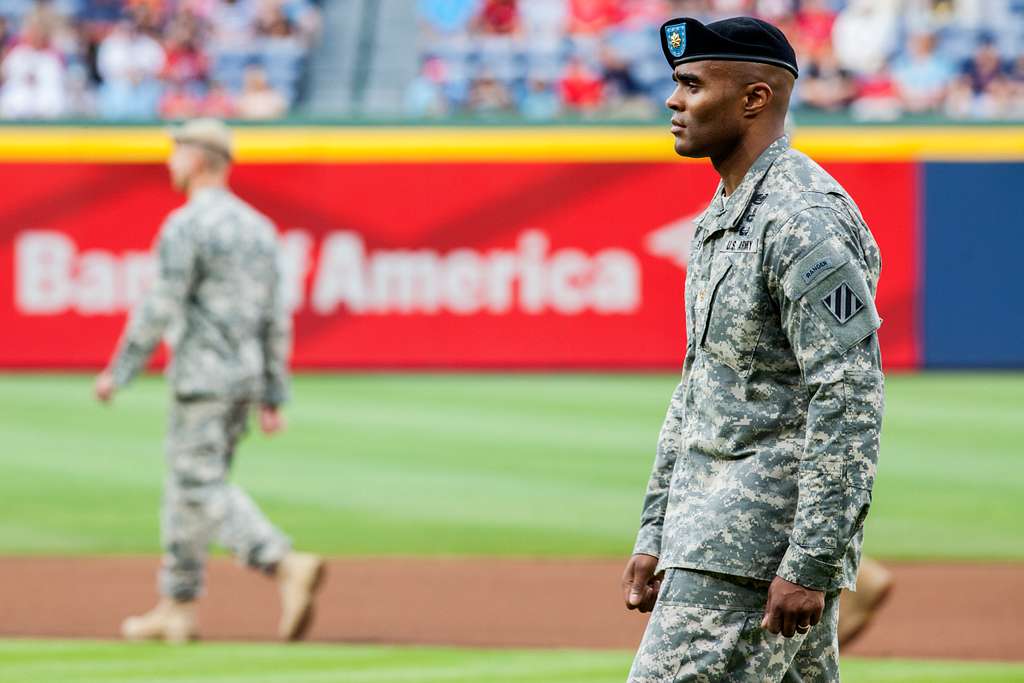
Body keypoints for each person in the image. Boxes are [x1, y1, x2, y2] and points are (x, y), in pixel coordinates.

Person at [622, 16, 884, 681]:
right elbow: (700, 386)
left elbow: (848, 396)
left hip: (758, 550)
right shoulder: (725, 210)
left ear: (754, 99)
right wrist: (657, 529)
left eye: (691, 84)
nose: (673, 100)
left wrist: (811, 559)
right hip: (715, 535)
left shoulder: (802, 218)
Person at [94, 119, 324, 644]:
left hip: (203, 374)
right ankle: (177, 606)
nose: (170, 162)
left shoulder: (186, 225)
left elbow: (161, 304)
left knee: (197, 485)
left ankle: (282, 561)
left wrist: (120, 369)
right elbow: (275, 317)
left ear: (198, 160)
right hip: (242, 377)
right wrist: (272, 393)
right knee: (184, 487)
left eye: (178, 153)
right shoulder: (259, 227)